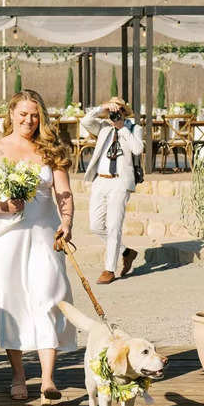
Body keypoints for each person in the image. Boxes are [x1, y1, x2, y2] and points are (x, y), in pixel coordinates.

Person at [0, 89, 76, 405]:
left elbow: (63, 193)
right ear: (11, 113)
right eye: (23, 113)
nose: (29, 120)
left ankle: (49, 379)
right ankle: (18, 374)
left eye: (35, 115)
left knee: (49, 296)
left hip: (44, 233)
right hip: (7, 234)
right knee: (11, 301)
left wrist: (66, 223)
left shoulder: (50, 149)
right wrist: (2, 204)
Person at [82, 97, 144, 284]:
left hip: (120, 182)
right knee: (95, 226)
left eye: (118, 111)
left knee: (114, 226)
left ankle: (109, 269)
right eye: (112, 111)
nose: (115, 114)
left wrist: (122, 127)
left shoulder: (133, 129)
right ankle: (126, 252)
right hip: (101, 181)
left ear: (125, 112)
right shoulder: (102, 127)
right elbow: (85, 121)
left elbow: (137, 149)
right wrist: (102, 108)